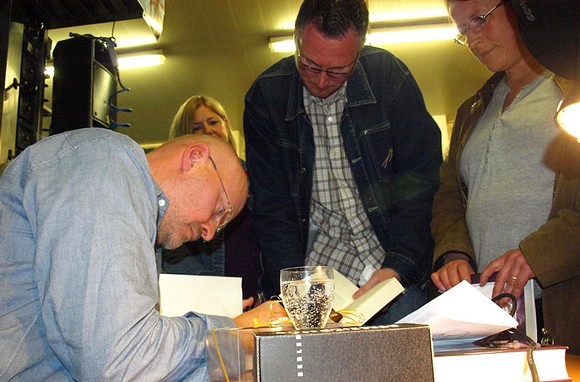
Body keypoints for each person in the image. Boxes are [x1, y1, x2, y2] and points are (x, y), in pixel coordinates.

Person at [0, 128, 284, 380]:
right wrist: (233, 331)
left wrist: (242, 353)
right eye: (220, 210)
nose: (210, 232)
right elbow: (118, 363)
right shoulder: (105, 164)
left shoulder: (135, 214)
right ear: (195, 158)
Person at [243, 0, 442, 324]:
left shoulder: (389, 78)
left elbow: (419, 181)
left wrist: (400, 264)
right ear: (296, 40)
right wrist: (294, 293)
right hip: (318, 285)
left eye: (338, 71)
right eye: (308, 65)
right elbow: (272, 209)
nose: (321, 81)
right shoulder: (266, 98)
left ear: (360, 50)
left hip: (395, 273)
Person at [430, 0, 579, 353]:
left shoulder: (571, 94)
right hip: (492, 314)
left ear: (522, 10)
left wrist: (536, 254)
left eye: (480, 20)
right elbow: (449, 197)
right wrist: (454, 254)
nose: (474, 40)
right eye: (463, 30)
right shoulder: (471, 109)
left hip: (562, 306)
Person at [163, 95, 261, 300]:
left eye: (213, 122)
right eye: (196, 127)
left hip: (259, 293)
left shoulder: (257, 175)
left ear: (226, 124)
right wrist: (214, 293)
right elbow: (172, 251)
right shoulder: (176, 190)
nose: (208, 130)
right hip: (210, 296)